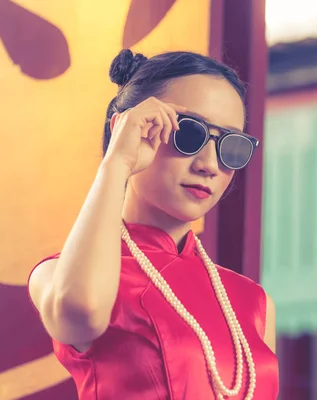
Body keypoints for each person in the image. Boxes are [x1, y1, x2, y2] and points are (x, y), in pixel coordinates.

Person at [27, 49, 279, 399]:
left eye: (230, 146)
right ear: (128, 129)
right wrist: (118, 162)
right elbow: (80, 312)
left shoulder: (253, 303)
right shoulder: (57, 276)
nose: (209, 164)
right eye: (189, 133)